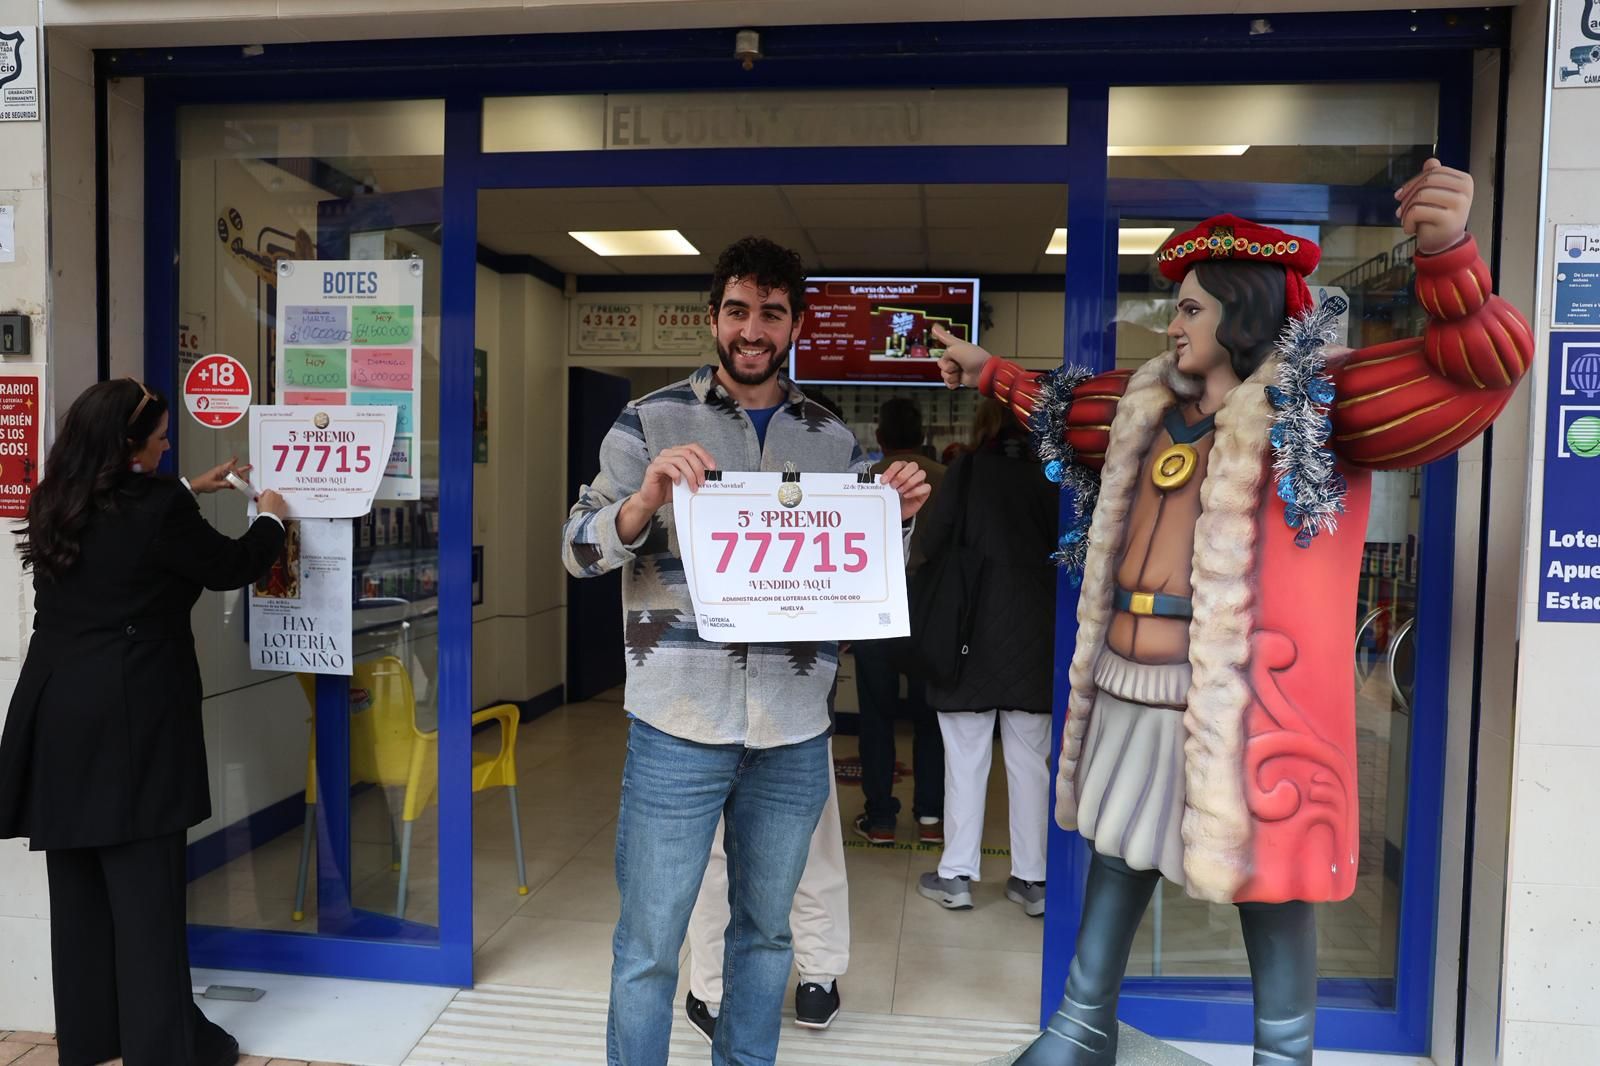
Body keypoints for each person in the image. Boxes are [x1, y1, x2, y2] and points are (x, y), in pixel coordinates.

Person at [936, 160, 1532, 1065]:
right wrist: (991, 374)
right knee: (1116, 845)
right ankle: (1082, 1025)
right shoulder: (1146, 406)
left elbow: (1476, 375)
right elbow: (1064, 411)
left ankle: (1281, 1055)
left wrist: (1449, 255)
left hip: (1250, 696)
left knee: (1272, 878)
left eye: (1190, 308)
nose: (1172, 325)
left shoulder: (1315, 407)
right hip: (1132, 675)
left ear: (1243, 313)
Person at [562, 236, 931, 1066]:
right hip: (676, 723)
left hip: (792, 730)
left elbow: (867, 588)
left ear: (795, 324)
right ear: (713, 318)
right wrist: (644, 499)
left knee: (765, 938)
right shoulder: (650, 420)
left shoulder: (832, 439)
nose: (752, 329)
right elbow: (577, 550)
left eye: (771, 312)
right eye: (737, 310)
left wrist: (898, 521)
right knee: (649, 945)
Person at [0, 379, 289, 1066]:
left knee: (79, 889)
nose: (166, 448)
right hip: (131, 715)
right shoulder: (157, 508)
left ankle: (93, 1037)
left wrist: (187, 487)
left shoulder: (55, 498)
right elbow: (230, 566)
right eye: (159, 440)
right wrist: (271, 520)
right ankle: (162, 1048)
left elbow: (122, 532)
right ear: (128, 446)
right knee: (146, 893)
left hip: (57, 708)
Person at [915, 398, 1056, 917]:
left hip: (967, 633)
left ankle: (955, 877)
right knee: (1030, 764)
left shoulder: (969, 470)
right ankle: (1032, 880)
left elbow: (933, 540)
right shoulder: (1055, 474)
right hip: (1035, 638)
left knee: (965, 758)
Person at [852, 397, 946, 847]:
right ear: (922, 434)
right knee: (931, 717)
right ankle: (931, 816)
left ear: (880, 436)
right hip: (933, 612)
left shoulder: (866, 478)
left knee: (876, 714)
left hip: (876, 612)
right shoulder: (947, 476)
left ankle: (880, 819)